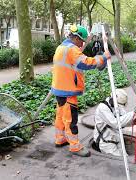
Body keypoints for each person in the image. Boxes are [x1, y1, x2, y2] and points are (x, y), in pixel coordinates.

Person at [51, 25, 110, 157]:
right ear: (76, 38)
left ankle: (60, 138)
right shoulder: (72, 50)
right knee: (71, 120)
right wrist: (103, 58)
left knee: (61, 116)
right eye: (82, 41)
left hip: (59, 89)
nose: (82, 44)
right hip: (67, 90)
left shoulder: (61, 47)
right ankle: (75, 147)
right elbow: (86, 63)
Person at [92, 89, 135, 156]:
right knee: (119, 161)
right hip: (105, 141)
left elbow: (123, 120)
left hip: (116, 137)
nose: (119, 107)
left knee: (125, 156)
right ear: (112, 99)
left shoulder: (117, 104)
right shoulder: (102, 108)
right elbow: (115, 123)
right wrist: (132, 113)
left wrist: (133, 121)